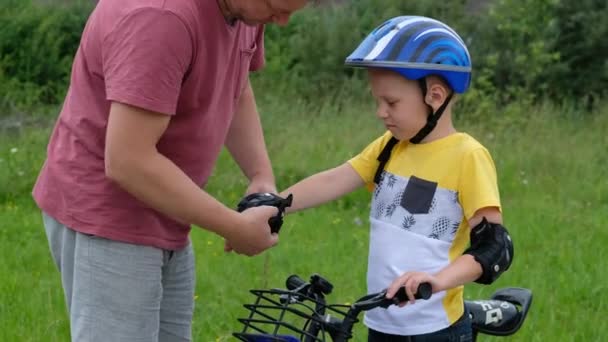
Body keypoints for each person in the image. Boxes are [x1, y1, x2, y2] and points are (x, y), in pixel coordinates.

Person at [32, 0, 313, 340]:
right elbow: (127, 160)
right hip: (109, 214)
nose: (282, 21)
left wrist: (260, 175)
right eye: (276, 6)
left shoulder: (244, 9)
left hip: (166, 206)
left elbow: (235, 85)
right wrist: (234, 227)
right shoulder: (162, 17)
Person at [280, 16, 514, 341]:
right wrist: (276, 206)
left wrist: (437, 281)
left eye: (391, 102)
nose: (380, 112)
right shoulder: (390, 147)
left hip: (436, 330)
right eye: (377, 101)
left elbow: (494, 247)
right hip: (382, 323)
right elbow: (335, 180)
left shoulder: (467, 156)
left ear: (435, 96)